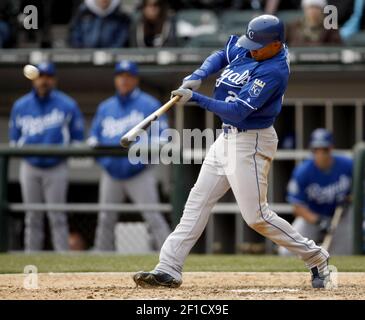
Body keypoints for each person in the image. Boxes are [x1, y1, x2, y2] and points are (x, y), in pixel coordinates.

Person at [133, 15, 331, 289]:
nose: (250, 49)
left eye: (257, 46)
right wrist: (198, 75)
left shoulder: (274, 70)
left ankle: (317, 258)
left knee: (256, 217)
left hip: (251, 141)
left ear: (275, 44)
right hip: (225, 139)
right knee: (197, 202)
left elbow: (238, 113)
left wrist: (196, 99)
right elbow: (220, 54)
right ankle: (169, 267)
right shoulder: (254, 46)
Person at [88, 60, 171, 251]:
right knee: (105, 219)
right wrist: (106, 161)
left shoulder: (149, 104)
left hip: (139, 172)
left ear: (135, 79)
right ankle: (100, 262)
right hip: (112, 172)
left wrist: (142, 149)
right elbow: (93, 138)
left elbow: (163, 137)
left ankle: (169, 257)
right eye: (120, 76)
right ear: (116, 79)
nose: (124, 80)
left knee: (153, 217)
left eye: (128, 77)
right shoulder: (105, 107)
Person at [9, 62, 85, 251]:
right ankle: (31, 257)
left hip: (56, 166)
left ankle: (62, 258)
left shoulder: (67, 104)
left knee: (57, 215)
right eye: (41, 76)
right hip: (30, 166)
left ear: (54, 80)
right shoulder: (21, 105)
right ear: (35, 79)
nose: (44, 81)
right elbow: (14, 140)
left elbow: (77, 139)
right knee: (32, 216)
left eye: (48, 77)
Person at [279, 129, 353, 255]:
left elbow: (360, 188)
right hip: (312, 217)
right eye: (316, 150)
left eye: (324, 150)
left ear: (331, 148)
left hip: (341, 218)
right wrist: (319, 221)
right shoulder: (303, 171)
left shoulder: (347, 164)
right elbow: (297, 207)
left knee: (343, 254)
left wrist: (351, 198)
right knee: (286, 251)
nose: (321, 154)